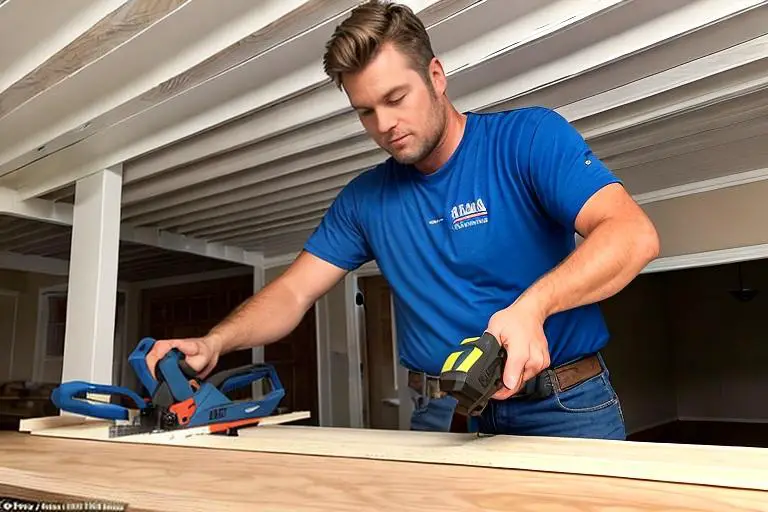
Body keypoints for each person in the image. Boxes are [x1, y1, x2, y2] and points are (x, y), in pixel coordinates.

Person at [145, 0, 660, 440]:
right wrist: (214, 342)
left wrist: (532, 308)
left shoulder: (527, 139)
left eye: (396, 99)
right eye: (365, 111)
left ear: (436, 77)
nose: (384, 125)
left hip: (562, 406)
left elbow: (631, 234)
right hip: (444, 415)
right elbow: (293, 293)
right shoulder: (364, 200)